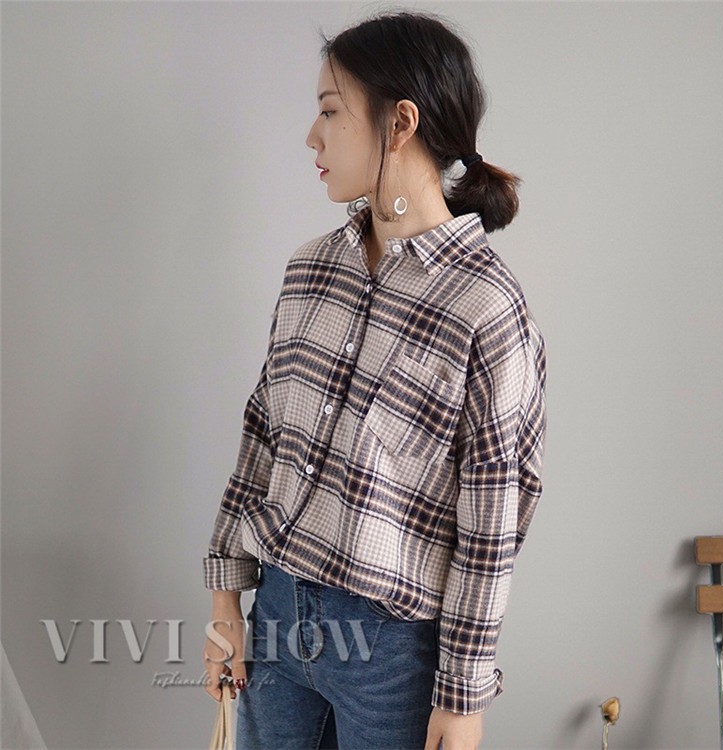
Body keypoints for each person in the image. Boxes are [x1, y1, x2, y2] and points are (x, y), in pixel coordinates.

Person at [201, 10, 547, 750]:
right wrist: (227, 601)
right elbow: (262, 437)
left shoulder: (484, 307)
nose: (312, 136)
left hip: (394, 652)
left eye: (330, 111)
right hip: (277, 615)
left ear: (401, 123)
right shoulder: (309, 270)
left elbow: (492, 519)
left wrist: (463, 693)